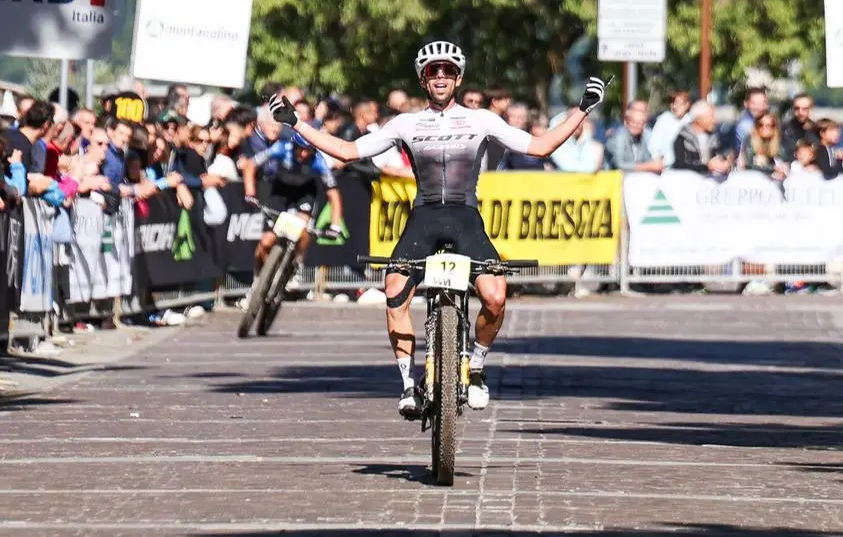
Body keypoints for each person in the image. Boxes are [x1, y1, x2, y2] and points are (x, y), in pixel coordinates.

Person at [266, 40, 607, 418]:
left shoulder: (482, 120)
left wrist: (581, 110)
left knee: (495, 295)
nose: (440, 76)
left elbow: (540, 147)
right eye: (433, 71)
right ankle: (408, 385)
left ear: (458, 78)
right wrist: (295, 123)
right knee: (393, 292)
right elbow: (347, 152)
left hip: (465, 216)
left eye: (447, 70)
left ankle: (475, 366)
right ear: (423, 79)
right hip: (424, 215)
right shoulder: (406, 123)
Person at [242, 130, 345, 280]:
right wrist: (250, 192)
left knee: (302, 230)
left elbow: (333, 194)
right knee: (266, 242)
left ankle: (297, 265)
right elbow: (250, 164)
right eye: (300, 149)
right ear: (293, 145)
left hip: (304, 193)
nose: (303, 154)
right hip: (280, 191)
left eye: (308, 151)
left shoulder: (319, 161)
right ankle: (259, 280)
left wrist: (335, 226)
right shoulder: (280, 148)